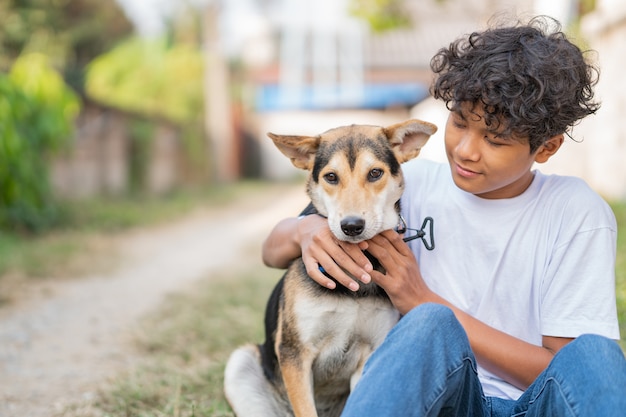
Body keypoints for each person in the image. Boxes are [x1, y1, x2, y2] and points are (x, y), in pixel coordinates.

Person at [261, 16, 626, 416]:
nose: (466, 150)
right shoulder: (402, 184)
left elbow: (565, 373)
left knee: (595, 351)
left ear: (546, 148)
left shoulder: (577, 214)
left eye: (495, 138)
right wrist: (303, 230)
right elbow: (273, 252)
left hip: (535, 406)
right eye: (459, 122)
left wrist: (420, 298)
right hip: (440, 401)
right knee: (428, 326)